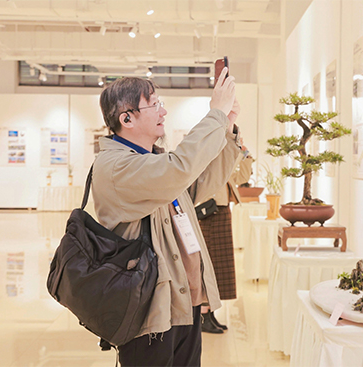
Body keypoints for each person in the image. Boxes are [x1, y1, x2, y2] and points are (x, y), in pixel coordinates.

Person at [92, 67, 242, 367]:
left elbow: (199, 183)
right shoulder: (116, 165)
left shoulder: (152, 160)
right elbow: (180, 169)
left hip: (183, 301)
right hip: (149, 310)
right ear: (127, 118)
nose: (163, 110)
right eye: (154, 104)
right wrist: (215, 114)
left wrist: (227, 126)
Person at [198, 149, 253, 333]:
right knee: (210, 265)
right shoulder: (212, 158)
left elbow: (243, 176)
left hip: (221, 212)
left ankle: (210, 312)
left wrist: (245, 154)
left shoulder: (224, 161)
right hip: (211, 214)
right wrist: (236, 151)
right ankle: (204, 313)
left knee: (220, 266)